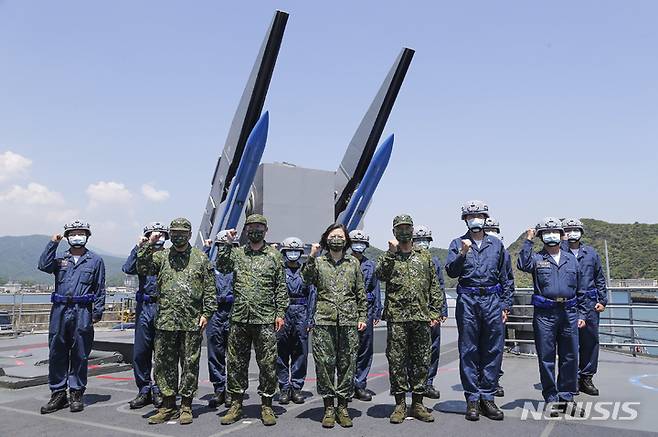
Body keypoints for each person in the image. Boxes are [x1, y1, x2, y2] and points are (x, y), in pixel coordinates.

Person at [137, 217, 216, 425]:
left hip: (191, 321)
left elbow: (210, 290)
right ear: (169, 235)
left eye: (182, 232)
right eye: (174, 232)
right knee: (164, 364)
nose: (178, 235)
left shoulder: (200, 258)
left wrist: (206, 314)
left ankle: (186, 405)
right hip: (165, 321)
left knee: (190, 364)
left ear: (190, 235)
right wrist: (146, 246)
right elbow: (143, 269)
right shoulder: (161, 257)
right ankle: (167, 405)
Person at [216, 214, 288, 426]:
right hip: (239, 318)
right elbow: (223, 266)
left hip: (265, 318)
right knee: (236, 363)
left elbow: (280, 287)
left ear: (266, 230)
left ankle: (267, 404)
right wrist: (226, 244)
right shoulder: (237, 253)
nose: (255, 230)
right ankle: (236, 404)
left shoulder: (274, 256)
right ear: (246, 230)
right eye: (251, 227)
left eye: (259, 227)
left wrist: (280, 313)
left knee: (267, 364)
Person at [445, 201, 513, 421]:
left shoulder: (496, 245)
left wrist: (505, 304)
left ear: (485, 218)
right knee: (469, 350)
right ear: (465, 220)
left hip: (492, 300)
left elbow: (506, 277)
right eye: (471, 216)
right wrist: (462, 254)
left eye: (479, 215)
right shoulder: (457, 243)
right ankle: (472, 400)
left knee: (493, 349)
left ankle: (488, 397)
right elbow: (452, 272)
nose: (475, 219)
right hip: (468, 299)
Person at [377, 215, 444, 425]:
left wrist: (435, 312)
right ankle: (399, 405)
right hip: (397, 318)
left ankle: (418, 403)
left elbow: (434, 285)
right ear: (394, 231)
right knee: (397, 362)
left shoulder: (424, 257)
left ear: (413, 230)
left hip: (421, 317)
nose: (404, 231)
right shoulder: (389, 257)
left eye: (407, 227)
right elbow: (380, 275)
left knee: (421, 361)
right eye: (400, 228)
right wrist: (390, 253)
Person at [517, 217, 586, 417]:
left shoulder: (571, 258)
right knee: (546, 357)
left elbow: (580, 289)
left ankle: (567, 397)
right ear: (541, 237)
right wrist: (528, 240)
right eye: (546, 233)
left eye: (555, 232)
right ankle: (551, 398)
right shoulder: (537, 259)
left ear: (561, 235)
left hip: (569, 313)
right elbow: (522, 263)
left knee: (570, 356)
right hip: (545, 314)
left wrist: (581, 313)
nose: (551, 235)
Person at [38, 220, 106, 414]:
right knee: (56, 351)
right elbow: (43, 265)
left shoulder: (95, 260)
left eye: (81, 232)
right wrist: (53, 243)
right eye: (73, 233)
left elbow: (100, 287)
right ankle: (58, 393)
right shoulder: (60, 259)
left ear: (87, 236)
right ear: (67, 236)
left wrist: (97, 311)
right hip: (60, 310)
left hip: (82, 310)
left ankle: (76, 392)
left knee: (80, 352)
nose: (77, 236)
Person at [304, 223, 367, 428]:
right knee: (324, 365)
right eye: (333, 235)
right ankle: (329, 407)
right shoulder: (320, 262)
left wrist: (362, 316)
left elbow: (360, 292)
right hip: (324, 320)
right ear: (326, 239)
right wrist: (311, 256)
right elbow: (307, 279)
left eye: (340, 235)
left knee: (347, 364)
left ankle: (343, 406)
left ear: (346, 240)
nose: (337, 239)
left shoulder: (353, 263)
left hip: (348, 320)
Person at [122, 222, 169, 409]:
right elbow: (128, 268)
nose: (158, 238)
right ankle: (144, 389)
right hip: (144, 307)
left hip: (163, 307)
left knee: (163, 352)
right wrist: (139, 247)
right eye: (153, 235)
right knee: (141, 351)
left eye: (161, 235)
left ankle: (159, 389)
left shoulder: (169, 256)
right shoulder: (143, 255)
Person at [560, 218, 607, 396]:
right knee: (568, 344)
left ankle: (586, 378)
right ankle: (569, 380)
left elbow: (600, 278)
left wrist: (602, 301)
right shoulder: (558, 252)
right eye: (568, 229)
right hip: (568, 304)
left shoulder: (591, 253)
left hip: (589, 303)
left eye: (575, 229)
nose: (572, 232)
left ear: (581, 232)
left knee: (590, 342)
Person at [276, 237, 315, 405]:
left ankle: (297, 387)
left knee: (300, 352)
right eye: (289, 251)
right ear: (284, 253)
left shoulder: (305, 272)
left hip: (301, 313)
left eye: (296, 252)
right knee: (281, 352)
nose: (293, 254)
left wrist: (310, 318)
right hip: (283, 313)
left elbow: (312, 295)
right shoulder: (278, 271)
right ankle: (284, 387)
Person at [412, 225, 448, 400]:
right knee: (412, 350)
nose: (422, 243)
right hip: (413, 314)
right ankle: (413, 383)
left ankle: (428, 383)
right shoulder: (407, 260)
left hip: (432, 313)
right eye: (419, 240)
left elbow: (440, 287)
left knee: (433, 349)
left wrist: (442, 311)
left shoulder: (434, 261)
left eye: (425, 240)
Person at [203, 231, 235, 409]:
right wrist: (206, 249)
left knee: (234, 355)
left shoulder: (239, 266)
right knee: (215, 353)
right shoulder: (210, 265)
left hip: (233, 310)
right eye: (220, 246)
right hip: (215, 311)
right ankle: (219, 389)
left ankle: (232, 390)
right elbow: (197, 266)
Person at [483, 217, 515, 398]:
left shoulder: (502, 252)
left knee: (495, 346)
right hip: (479, 304)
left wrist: (506, 305)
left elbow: (508, 281)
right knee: (478, 346)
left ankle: (494, 380)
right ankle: (481, 381)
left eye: (494, 230)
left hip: (496, 305)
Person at [349, 229, 382, 402]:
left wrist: (377, 310)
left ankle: (360, 385)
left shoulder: (371, 265)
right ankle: (347, 385)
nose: (359, 245)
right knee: (347, 349)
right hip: (348, 309)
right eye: (355, 242)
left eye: (361, 242)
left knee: (364, 349)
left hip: (367, 310)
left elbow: (375, 288)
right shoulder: (345, 263)